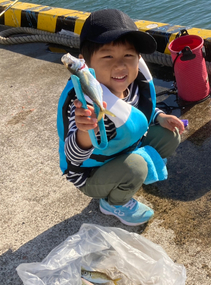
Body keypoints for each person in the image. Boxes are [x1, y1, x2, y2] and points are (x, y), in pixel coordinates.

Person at [57, 9, 185, 226]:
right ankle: (112, 203)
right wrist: (85, 131)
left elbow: (140, 111)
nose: (120, 65)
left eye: (128, 56)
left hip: (123, 150)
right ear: (85, 64)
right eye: (108, 56)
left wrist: (160, 116)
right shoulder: (82, 103)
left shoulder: (133, 85)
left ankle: (130, 172)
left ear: (139, 59)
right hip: (92, 173)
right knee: (135, 168)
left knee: (170, 134)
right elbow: (73, 158)